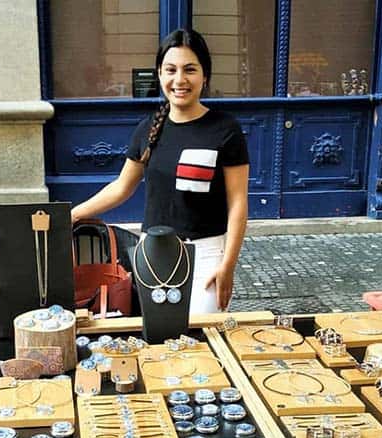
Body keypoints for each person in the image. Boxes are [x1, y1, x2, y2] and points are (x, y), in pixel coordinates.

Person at [70, 29, 249, 313]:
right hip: (153, 254)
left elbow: (238, 203)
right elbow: (122, 187)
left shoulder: (225, 130)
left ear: (205, 75)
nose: (180, 80)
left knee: (200, 345)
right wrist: (74, 214)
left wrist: (227, 265)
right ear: (160, 74)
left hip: (205, 255)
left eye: (190, 70)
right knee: (157, 343)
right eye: (171, 70)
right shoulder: (148, 128)